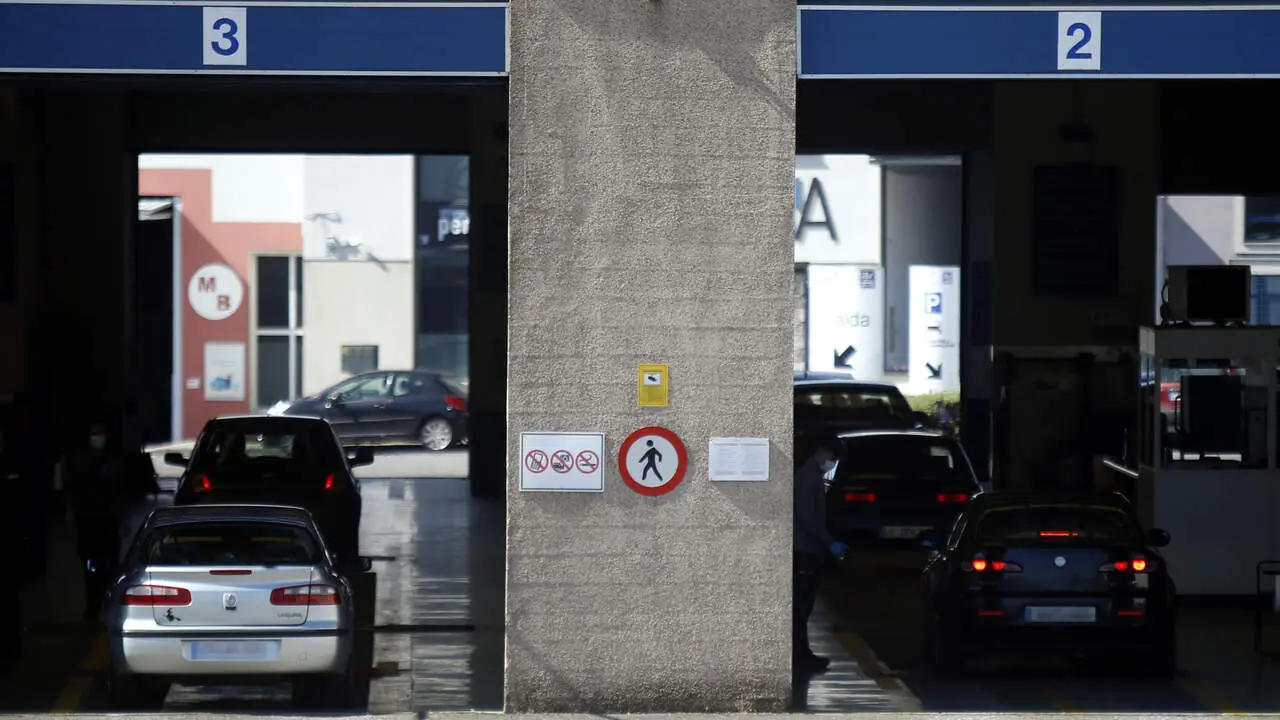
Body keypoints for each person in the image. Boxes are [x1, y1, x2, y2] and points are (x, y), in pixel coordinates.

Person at [59, 415, 129, 621]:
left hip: (109, 524)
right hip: (88, 525)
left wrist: (121, 515)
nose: (98, 437)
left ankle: (109, 606)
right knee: (90, 568)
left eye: (100, 433)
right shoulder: (79, 461)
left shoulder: (114, 460)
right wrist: (72, 512)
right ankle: (92, 608)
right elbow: (71, 489)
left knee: (110, 568)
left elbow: (122, 489)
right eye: (94, 434)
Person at [793, 430, 847, 673]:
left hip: (810, 548)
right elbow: (807, 517)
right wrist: (829, 542)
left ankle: (802, 653)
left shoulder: (814, 475)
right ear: (822, 450)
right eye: (833, 456)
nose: (833, 461)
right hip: (805, 549)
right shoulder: (807, 477)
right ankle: (800, 655)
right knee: (801, 608)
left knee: (804, 607)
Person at [0, 421, 26, 670]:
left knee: (8, 598)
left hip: (7, 543)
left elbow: (18, 505)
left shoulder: (11, 465)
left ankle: (11, 649)